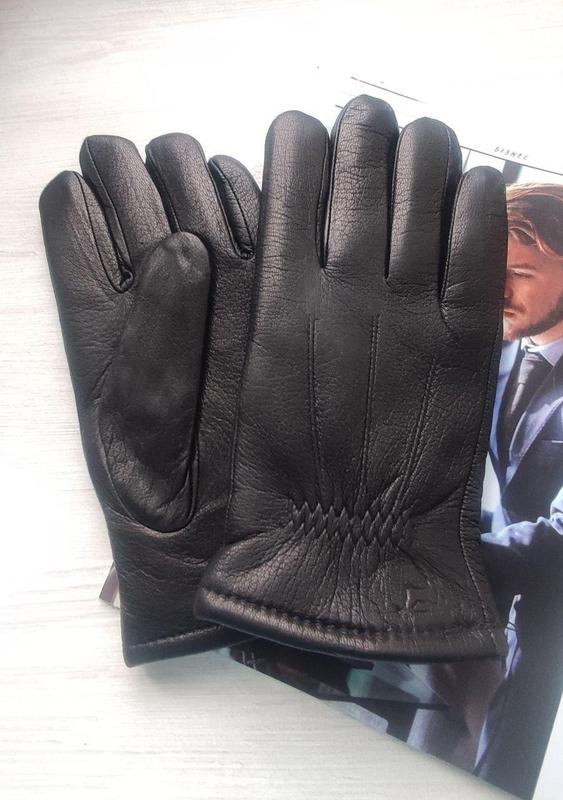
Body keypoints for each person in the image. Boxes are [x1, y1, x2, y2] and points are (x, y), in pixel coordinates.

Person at [475, 183, 563, 799]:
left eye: (522, 273)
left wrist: (435, 555)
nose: (500, 289)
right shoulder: (501, 350)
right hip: (509, 630)